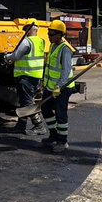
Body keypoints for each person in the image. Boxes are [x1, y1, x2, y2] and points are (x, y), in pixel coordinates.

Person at [4, 20, 47, 136]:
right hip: (35, 77)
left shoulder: (27, 42)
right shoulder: (40, 41)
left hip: (25, 76)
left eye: (24, 30)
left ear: (28, 30)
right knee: (23, 101)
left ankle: (39, 125)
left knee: (28, 103)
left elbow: (16, 56)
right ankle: (21, 125)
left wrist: (6, 56)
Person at [41, 19, 77, 153]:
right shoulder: (52, 46)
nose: (49, 37)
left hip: (63, 88)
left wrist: (59, 86)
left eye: (52, 34)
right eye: (48, 34)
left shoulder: (65, 49)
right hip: (51, 87)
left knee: (61, 114)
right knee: (45, 109)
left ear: (60, 34)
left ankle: (62, 141)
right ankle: (54, 135)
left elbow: (66, 70)